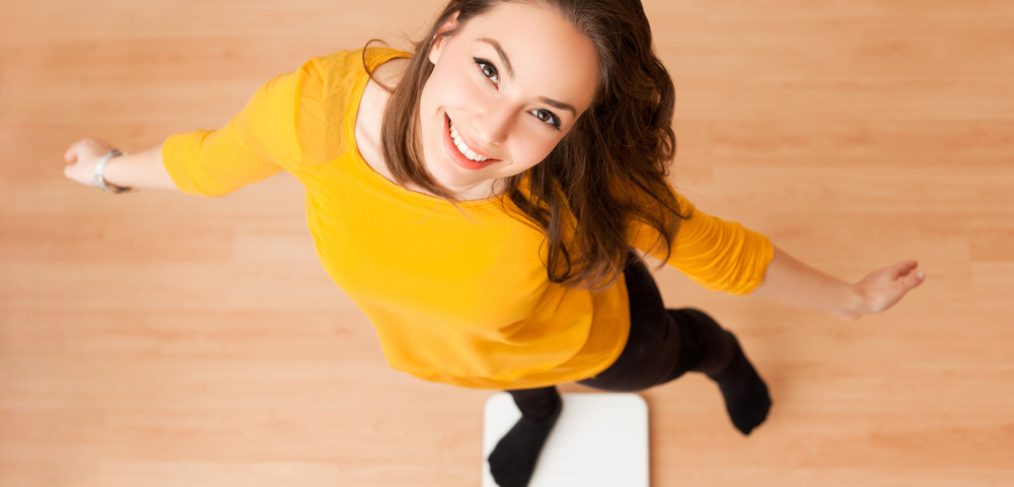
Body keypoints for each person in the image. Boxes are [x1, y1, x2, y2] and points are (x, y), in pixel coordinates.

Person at [62, 1, 926, 486]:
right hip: (460, 354)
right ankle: (538, 400)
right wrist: (110, 172)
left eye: (544, 112)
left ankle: (719, 354)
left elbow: (729, 255)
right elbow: (210, 163)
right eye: (487, 68)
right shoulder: (312, 114)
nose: (488, 129)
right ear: (445, 38)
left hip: (595, 334)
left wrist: (855, 299)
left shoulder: (588, 187)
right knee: (522, 378)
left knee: (673, 347)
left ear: (572, 126)